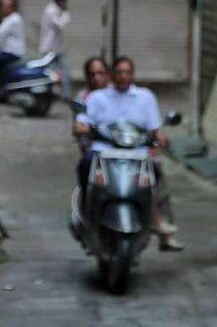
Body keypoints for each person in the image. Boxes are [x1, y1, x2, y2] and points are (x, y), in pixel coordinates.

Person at [74, 57, 184, 251]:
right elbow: (83, 121)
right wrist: (82, 127)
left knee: (156, 173)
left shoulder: (145, 97)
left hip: (136, 153)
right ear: (112, 75)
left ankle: (159, 223)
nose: (123, 76)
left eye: (127, 72)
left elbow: (155, 128)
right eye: (119, 72)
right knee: (85, 164)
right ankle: (87, 212)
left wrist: (162, 138)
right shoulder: (97, 98)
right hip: (104, 151)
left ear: (133, 75)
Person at [39, 0, 71, 98]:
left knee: (65, 71)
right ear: (61, 1)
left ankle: (66, 95)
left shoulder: (58, 10)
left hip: (58, 49)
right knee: (48, 73)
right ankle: (47, 95)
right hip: (49, 49)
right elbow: (60, 25)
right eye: (66, 1)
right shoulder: (50, 10)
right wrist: (66, 13)